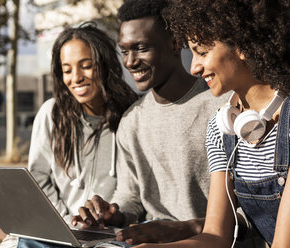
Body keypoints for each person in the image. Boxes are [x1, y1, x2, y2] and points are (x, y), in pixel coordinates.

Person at [133, 0, 290, 247]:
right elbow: (214, 236)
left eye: (202, 51)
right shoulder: (222, 127)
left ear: (242, 44)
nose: (194, 68)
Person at [72, 0, 231, 246]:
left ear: (175, 43)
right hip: (150, 239)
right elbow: (131, 196)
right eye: (125, 51)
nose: (130, 62)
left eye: (141, 48)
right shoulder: (131, 121)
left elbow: (250, 208)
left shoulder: (223, 105)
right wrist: (111, 212)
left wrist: (180, 229)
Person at [0, 23, 138, 248]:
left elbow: (134, 192)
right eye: (67, 69)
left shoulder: (131, 117)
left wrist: (113, 214)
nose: (76, 78)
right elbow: (40, 178)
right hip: (61, 231)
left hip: (110, 235)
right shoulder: (51, 114)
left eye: (86, 66)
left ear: (105, 65)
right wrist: (65, 223)